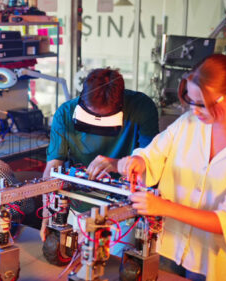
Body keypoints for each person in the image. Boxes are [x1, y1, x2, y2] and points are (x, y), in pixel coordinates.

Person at [93, 54, 226, 281]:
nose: (195, 111)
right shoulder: (188, 124)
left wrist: (164, 207)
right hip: (167, 248)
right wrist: (138, 161)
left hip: (211, 262)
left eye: (203, 104)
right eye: (192, 102)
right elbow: (153, 154)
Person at [41, 67, 159, 248]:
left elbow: (151, 161)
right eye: (90, 115)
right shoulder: (66, 113)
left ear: (120, 104)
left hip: (121, 213)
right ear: (82, 98)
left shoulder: (141, 108)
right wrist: (47, 215)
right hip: (76, 207)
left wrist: (118, 164)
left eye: (105, 118)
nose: (97, 121)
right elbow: (53, 167)